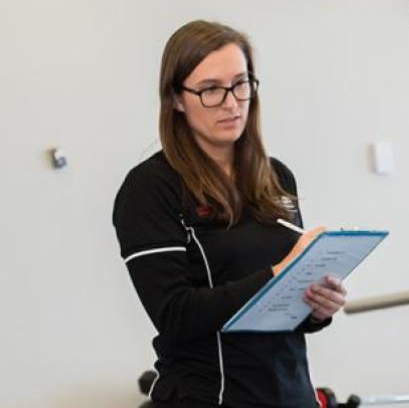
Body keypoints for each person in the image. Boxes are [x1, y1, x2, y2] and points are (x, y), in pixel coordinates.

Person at [113, 20, 346, 407]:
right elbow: (174, 315)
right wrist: (277, 275)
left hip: (291, 395)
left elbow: (281, 312)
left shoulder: (276, 176)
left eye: (241, 84)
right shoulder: (151, 187)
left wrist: (317, 306)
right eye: (210, 90)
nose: (231, 102)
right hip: (208, 396)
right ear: (176, 99)